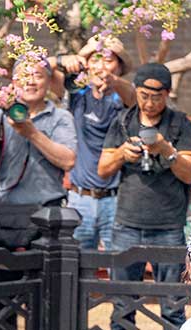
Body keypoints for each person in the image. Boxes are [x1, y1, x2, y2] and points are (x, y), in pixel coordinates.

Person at [0, 55, 75, 330]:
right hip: (5, 215)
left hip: (47, 218)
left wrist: (31, 132)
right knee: (2, 296)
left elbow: (68, 160)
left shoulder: (60, 117)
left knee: (44, 298)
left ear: (48, 83)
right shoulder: (3, 114)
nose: (30, 81)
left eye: (38, 76)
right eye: (23, 76)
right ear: (13, 81)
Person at [97, 61, 191, 330]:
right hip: (126, 223)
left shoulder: (180, 123)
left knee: (172, 305)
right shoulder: (123, 120)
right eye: (143, 95)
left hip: (168, 224)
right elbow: (102, 168)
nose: (150, 102)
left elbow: (190, 173)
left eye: (157, 96)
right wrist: (122, 156)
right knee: (122, 303)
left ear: (167, 94)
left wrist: (166, 150)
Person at [53, 36, 135, 252]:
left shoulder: (123, 97)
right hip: (80, 198)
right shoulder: (76, 94)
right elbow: (39, 69)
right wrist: (66, 60)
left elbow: (135, 98)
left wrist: (113, 81)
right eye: (95, 60)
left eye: (108, 60)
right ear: (86, 64)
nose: (101, 67)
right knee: (77, 264)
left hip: (115, 200)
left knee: (117, 264)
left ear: (119, 66)